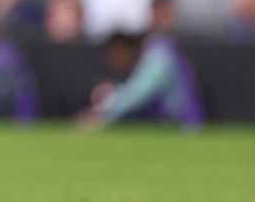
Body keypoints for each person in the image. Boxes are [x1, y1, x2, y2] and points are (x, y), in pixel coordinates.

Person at [76, 30, 205, 130]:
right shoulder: (150, 53)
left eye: (112, 50)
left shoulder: (159, 54)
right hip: (164, 128)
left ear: (124, 46)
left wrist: (101, 116)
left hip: (183, 128)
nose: (111, 59)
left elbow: (137, 94)